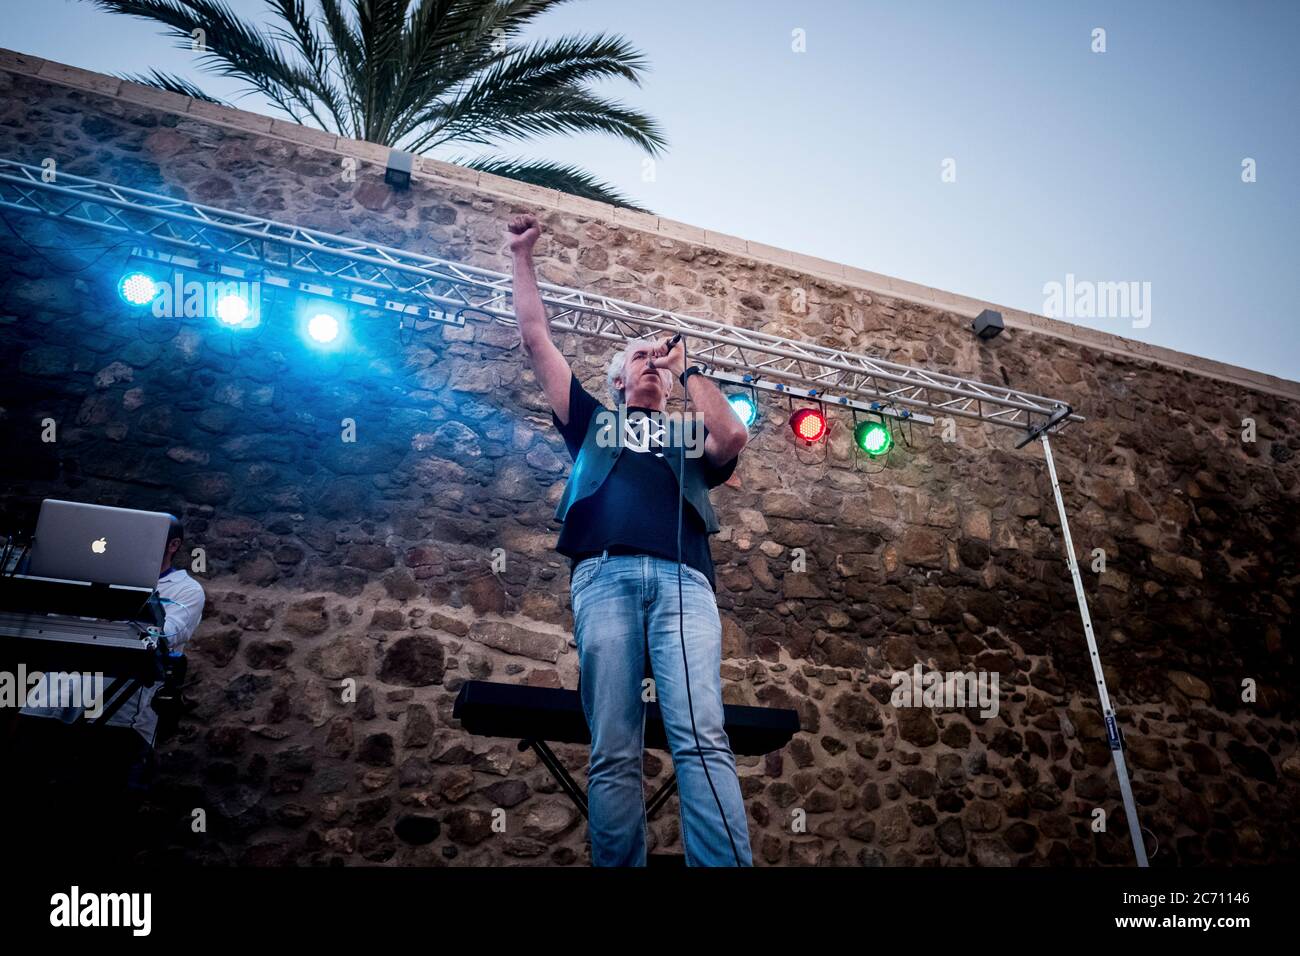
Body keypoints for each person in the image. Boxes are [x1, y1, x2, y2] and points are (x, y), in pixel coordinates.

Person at [509, 212, 754, 866]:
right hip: (605, 577)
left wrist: (688, 366)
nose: (651, 363)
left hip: (683, 583)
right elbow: (536, 338)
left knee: (700, 735)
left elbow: (732, 437)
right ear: (618, 378)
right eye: (639, 357)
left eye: (658, 360)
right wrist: (521, 254)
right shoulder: (594, 421)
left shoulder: (687, 436)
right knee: (614, 748)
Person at [12, 514, 204, 857]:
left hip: (118, 721)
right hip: (48, 704)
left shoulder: (185, 589)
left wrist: (113, 615)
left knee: (96, 822)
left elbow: (165, 634)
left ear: (173, 546)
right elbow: (49, 621)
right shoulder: (90, 576)